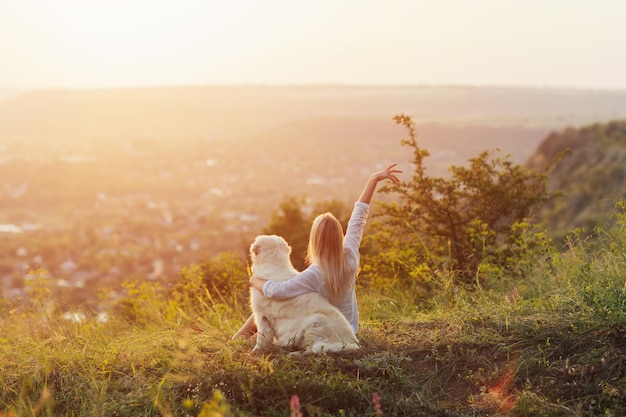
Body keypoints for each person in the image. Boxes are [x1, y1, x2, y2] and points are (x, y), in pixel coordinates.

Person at [232, 163, 402, 340]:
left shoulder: (315, 273)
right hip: (350, 330)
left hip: (322, 331)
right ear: (339, 236)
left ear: (315, 240)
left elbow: (277, 291)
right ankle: (240, 337)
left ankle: (238, 339)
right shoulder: (350, 254)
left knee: (270, 303)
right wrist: (373, 180)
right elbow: (358, 217)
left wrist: (255, 281)